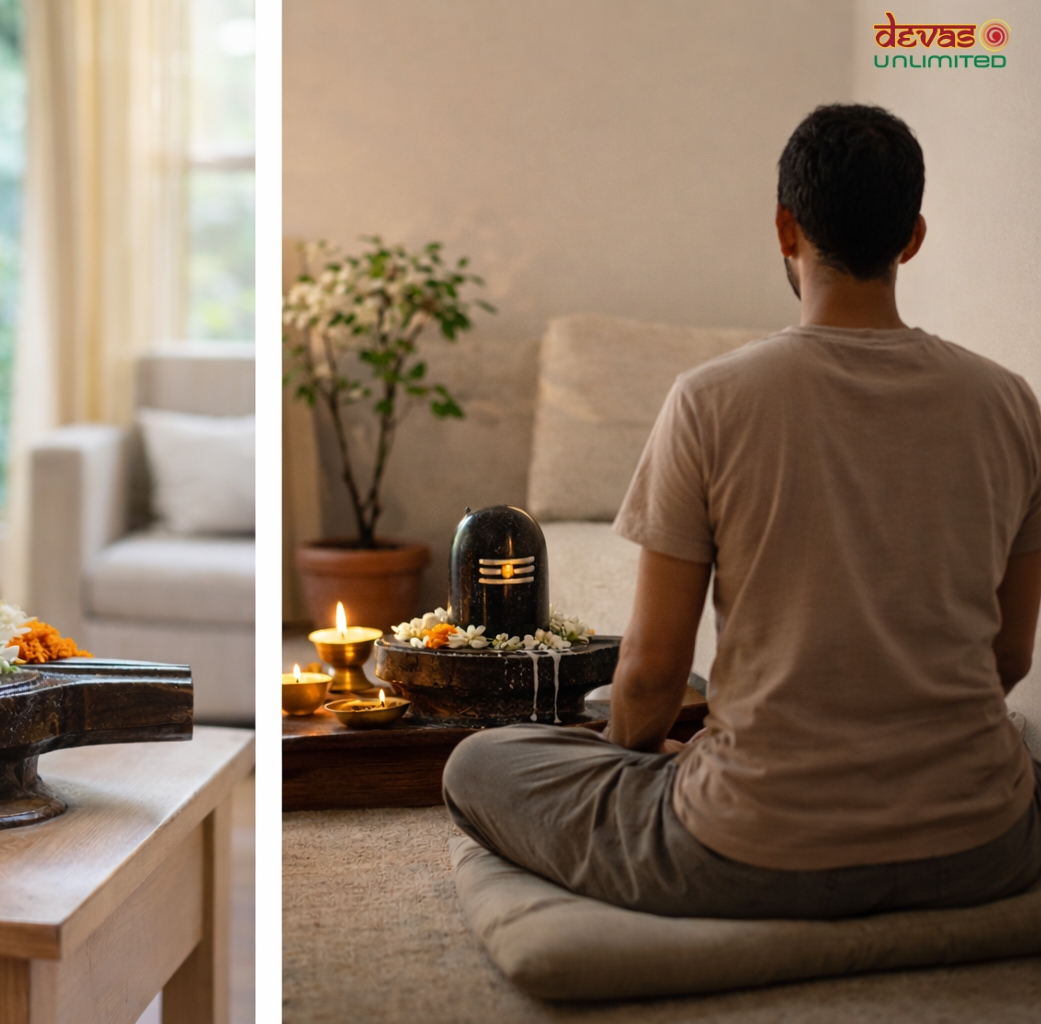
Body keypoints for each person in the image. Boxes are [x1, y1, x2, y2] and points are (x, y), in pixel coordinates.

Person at [442, 104, 1041, 919]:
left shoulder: (710, 400)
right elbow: (1008, 658)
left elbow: (653, 675)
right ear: (913, 237)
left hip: (753, 849)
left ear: (786, 228)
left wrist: (627, 762)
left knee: (479, 763)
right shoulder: (1010, 404)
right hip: (983, 846)